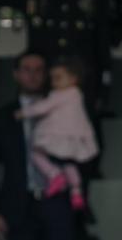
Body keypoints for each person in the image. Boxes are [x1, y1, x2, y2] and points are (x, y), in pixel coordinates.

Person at [0, 54, 75, 240]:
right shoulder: (2, 117)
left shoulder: (62, 111)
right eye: (27, 69)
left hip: (55, 203)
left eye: (39, 70)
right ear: (16, 74)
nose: (33, 75)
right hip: (18, 207)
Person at [14, 61, 100, 210]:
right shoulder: (77, 95)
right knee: (67, 162)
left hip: (59, 134)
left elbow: (43, 107)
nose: (54, 81)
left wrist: (24, 113)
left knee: (36, 152)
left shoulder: (62, 95)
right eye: (52, 78)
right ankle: (76, 190)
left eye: (59, 77)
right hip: (73, 136)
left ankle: (54, 175)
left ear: (73, 79)